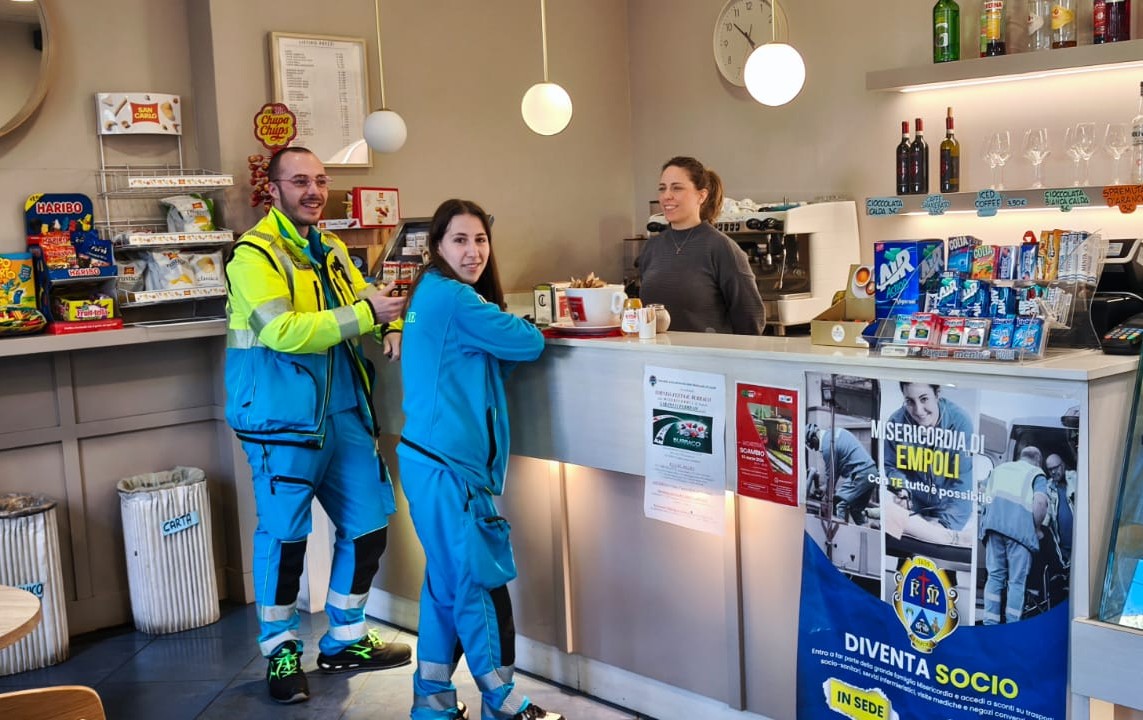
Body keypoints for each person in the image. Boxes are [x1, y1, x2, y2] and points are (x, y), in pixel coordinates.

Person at [224, 146, 411, 704]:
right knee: (285, 540)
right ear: (273, 190)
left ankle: (345, 638)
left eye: (320, 180)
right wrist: (367, 317)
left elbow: (365, 301)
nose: (312, 190)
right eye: (299, 180)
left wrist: (388, 327)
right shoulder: (252, 256)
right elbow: (282, 331)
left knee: (370, 525)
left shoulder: (329, 247)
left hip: (346, 412)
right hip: (282, 423)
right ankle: (281, 650)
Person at [397, 199, 562, 720]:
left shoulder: (428, 291)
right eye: (460, 241)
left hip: (429, 460)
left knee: (445, 584)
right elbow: (529, 341)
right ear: (438, 246)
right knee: (477, 584)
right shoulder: (456, 300)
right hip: (452, 469)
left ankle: (433, 699)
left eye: (481, 240)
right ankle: (505, 702)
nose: (473, 252)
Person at [637, 156, 765, 335]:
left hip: (707, 360)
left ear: (702, 195)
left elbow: (751, 318)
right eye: (662, 188)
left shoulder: (722, 248)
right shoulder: (652, 248)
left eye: (677, 188)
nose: (667, 196)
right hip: (657, 360)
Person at [881, 382, 975, 545]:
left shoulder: (961, 422)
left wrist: (943, 526)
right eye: (910, 401)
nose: (918, 411)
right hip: (914, 510)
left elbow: (962, 485)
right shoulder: (895, 423)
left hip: (949, 510)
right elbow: (892, 467)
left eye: (924, 399)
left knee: (942, 565)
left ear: (938, 393)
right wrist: (902, 489)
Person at [979, 446, 1050, 624]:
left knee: (994, 577)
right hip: (1020, 533)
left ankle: (990, 623)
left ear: (1020, 457)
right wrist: (1037, 528)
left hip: (994, 528)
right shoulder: (1036, 473)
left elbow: (982, 496)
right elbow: (1040, 502)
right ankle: (1012, 625)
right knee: (1016, 582)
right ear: (1038, 460)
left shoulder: (998, 470)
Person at [806, 424, 879, 525]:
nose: (815, 449)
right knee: (855, 510)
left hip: (860, 473)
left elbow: (830, 477)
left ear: (814, 438)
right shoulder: (833, 433)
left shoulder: (828, 446)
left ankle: (839, 537)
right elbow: (837, 470)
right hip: (871, 472)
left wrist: (827, 498)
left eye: (813, 445)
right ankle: (867, 532)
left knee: (838, 503)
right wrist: (824, 488)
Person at [1043, 453, 1075, 566]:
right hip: (1063, 549)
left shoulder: (1075, 478)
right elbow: (1046, 515)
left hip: (1080, 544)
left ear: (1062, 465)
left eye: (1055, 468)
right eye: (1049, 469)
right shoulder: (1048, 488)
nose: (1052, 472)